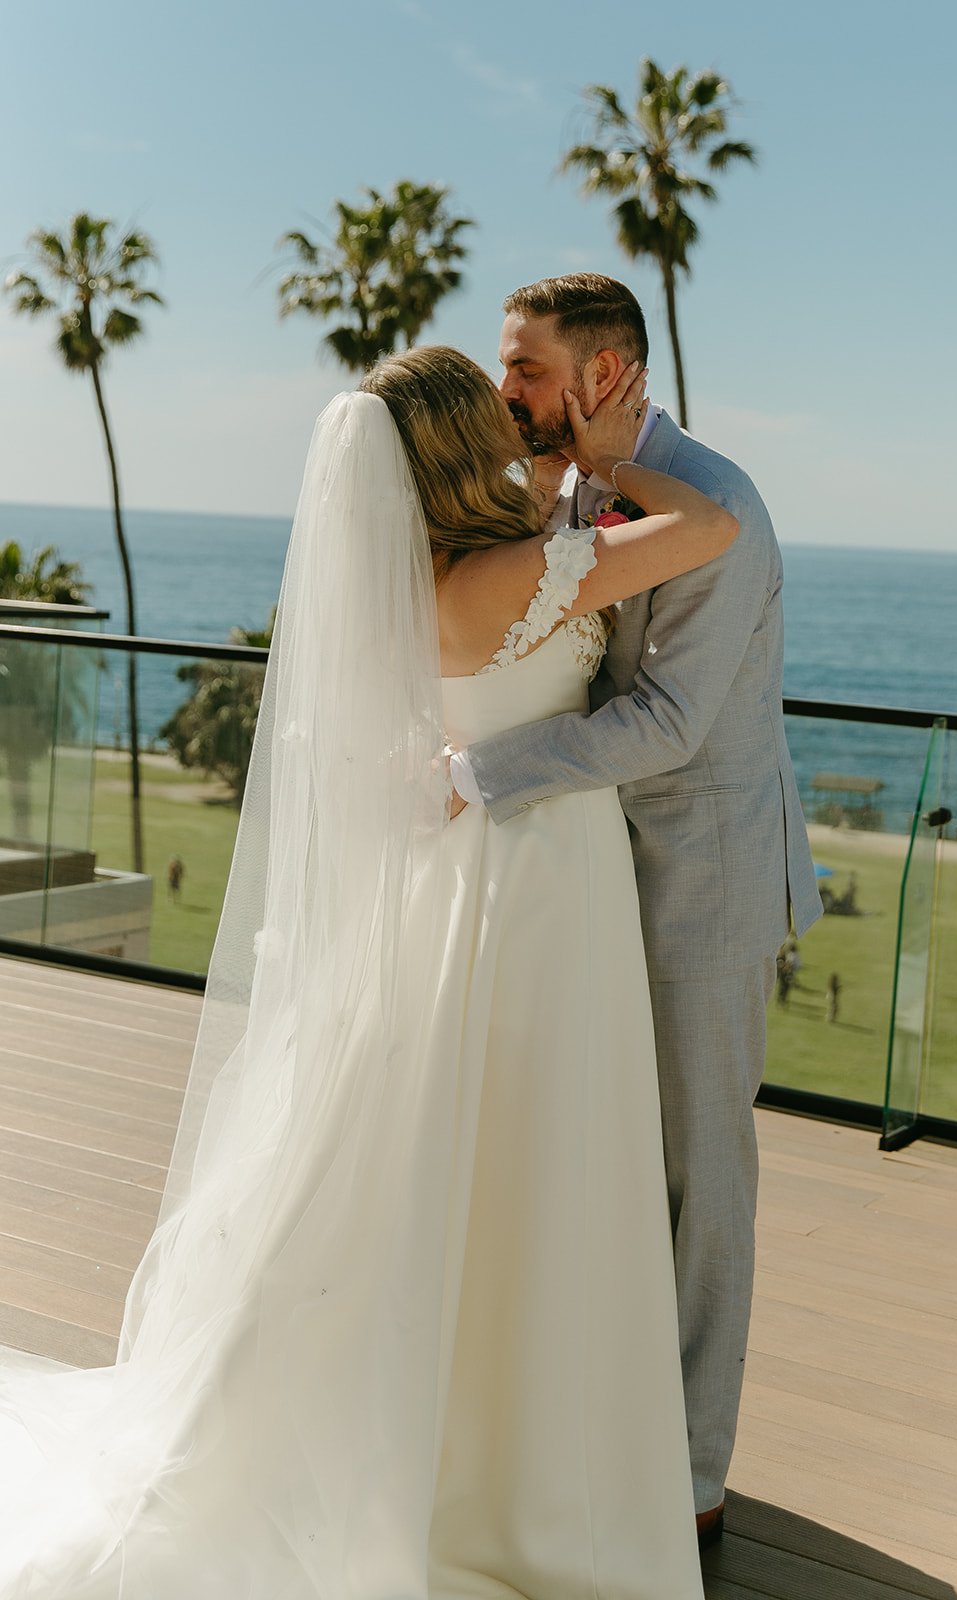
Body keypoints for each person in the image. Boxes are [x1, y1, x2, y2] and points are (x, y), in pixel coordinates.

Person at [0, 347, 738, 1597]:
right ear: (459, 445)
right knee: (538, 1162)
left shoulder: (423, 581)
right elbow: (709, 524)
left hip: (460, 889)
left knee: (453, 1154)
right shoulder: (521, 570)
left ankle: (451, 1446)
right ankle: (522, 1470)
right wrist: (604, 457)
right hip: (541, 890)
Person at [449, 273, 822, 1541]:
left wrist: (477, 775)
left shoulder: (724, 508)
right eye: (507, 366)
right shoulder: (553, 491)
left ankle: (694, 1474)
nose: (510, 392)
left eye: (530, 371)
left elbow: (664, 724)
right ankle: (598, 1420)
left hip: (703, 874)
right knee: (595, 1158)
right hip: (585, 883)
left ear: (606, 377)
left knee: (698, 1175)